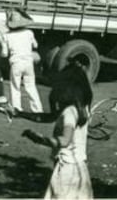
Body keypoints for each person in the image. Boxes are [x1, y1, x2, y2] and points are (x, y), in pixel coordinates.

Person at [22, 62, 93, 199]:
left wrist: (42, 140)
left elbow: (65, 140)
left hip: (67, 169)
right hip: (80, 167)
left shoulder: (69, 113)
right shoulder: (83, 109)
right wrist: (20, 114)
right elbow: (49, 117)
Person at [4, 9, 43, 114]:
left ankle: (17, 108)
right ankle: (37, 109)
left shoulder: (7, 35)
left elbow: (4, 52)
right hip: (28, 63)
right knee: (31, 86)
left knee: (15, 86)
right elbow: (36, 45)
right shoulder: (29, 32)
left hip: (16, 63)